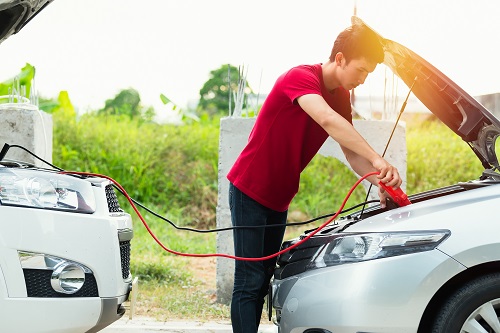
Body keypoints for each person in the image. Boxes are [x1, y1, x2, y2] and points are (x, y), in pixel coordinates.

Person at [226, 22, 402, 333]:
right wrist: (378, 157)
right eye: (360, 70)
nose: (362, 80)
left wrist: (380, 179)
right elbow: (326, 119)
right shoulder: (301, 78)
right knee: (249, 279)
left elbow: (350, 151)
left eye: (368, 74)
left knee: (264, 275)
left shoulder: (341, 95)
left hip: (279, 197)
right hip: (250, 189)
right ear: (340, 58)